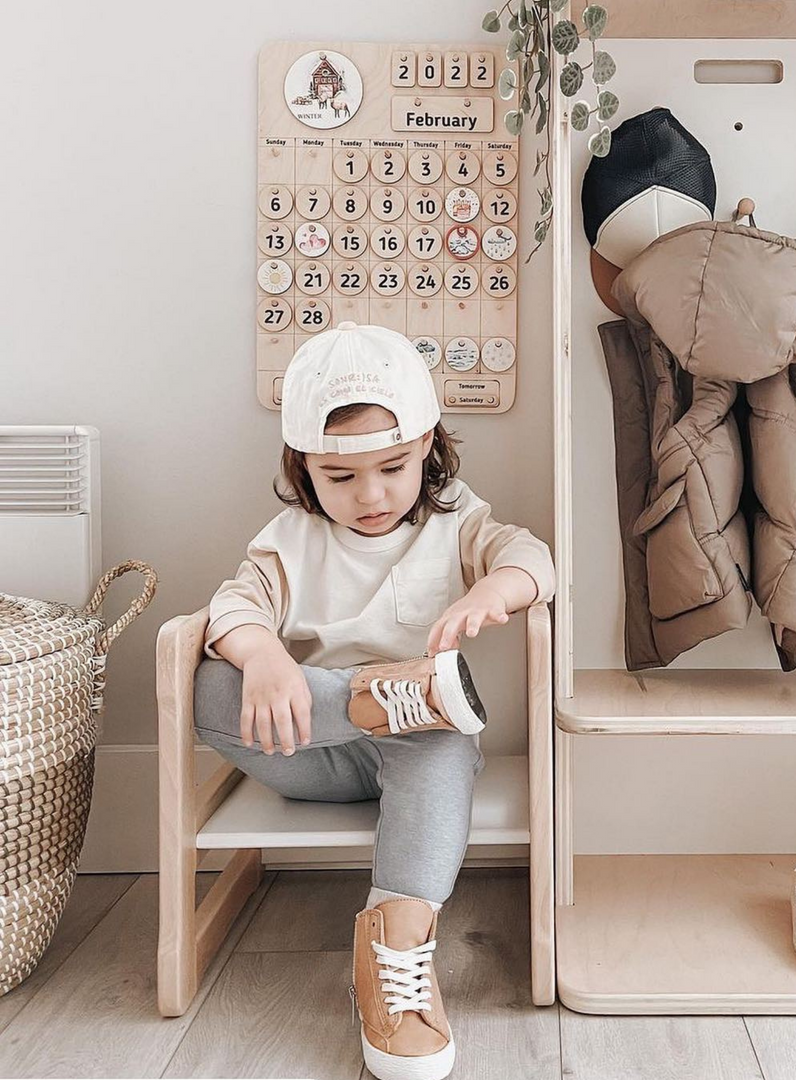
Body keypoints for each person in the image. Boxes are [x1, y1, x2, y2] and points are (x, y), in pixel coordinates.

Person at [192, 322, 555, 1080]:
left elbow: (532, 558)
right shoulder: (290, 539)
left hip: (420, 747)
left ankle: (393, 955)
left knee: (442, 739)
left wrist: (496, 589)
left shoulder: (457, 518)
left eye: (391, 468)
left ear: (427, 444)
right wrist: (261, 656)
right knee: (209, 682)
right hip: (313, 742)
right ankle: (380, 698)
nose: (371, 495)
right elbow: (235, 605)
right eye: (340, 477)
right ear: (304, 469)